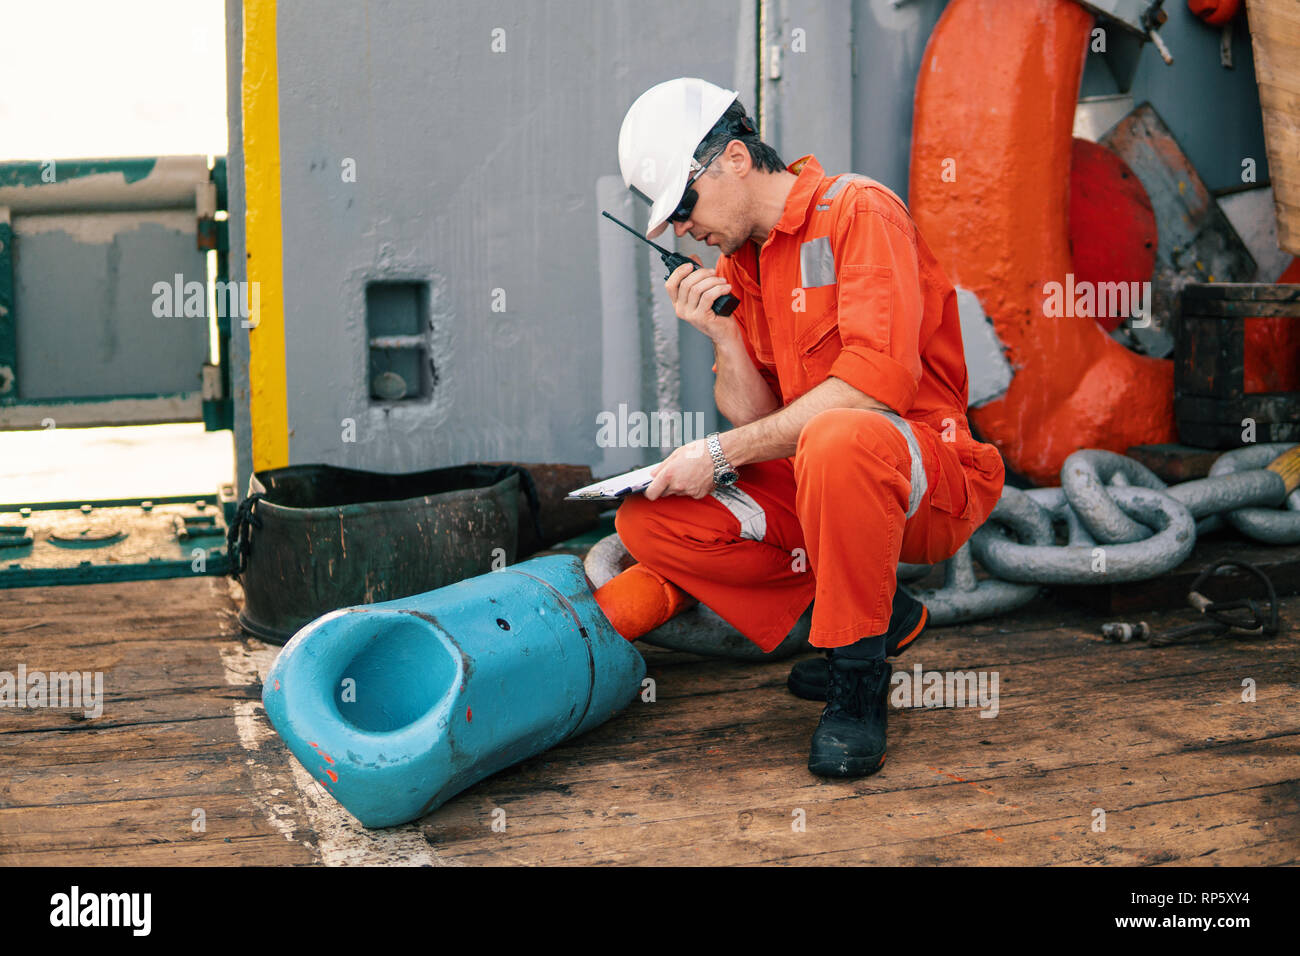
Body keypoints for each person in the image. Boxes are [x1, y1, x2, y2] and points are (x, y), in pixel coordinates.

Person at [611, 77, 1005, 778]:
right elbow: (766, 424)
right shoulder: (742, 265)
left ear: (733, 158)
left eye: (684, 203)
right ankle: (876, 616)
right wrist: (724, 338)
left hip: (926, 478)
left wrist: (720, 452)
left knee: (840, 435)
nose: (681, 229)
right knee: (650, 521)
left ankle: (857, 682)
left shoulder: (858, 211)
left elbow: (870, 392)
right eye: (670, 218)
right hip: (826, 478)